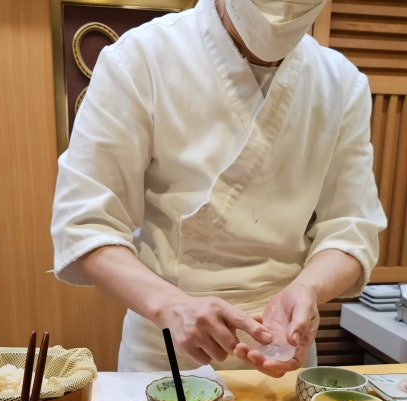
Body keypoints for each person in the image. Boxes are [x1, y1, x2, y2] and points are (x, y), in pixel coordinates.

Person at [51, 0, 386, 376]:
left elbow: (350, 230)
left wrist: (308, 288)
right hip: (168, 350)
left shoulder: (341, 83)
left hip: (283, 347)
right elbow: (86, 225)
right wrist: (170, 306)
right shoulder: (141, 57)